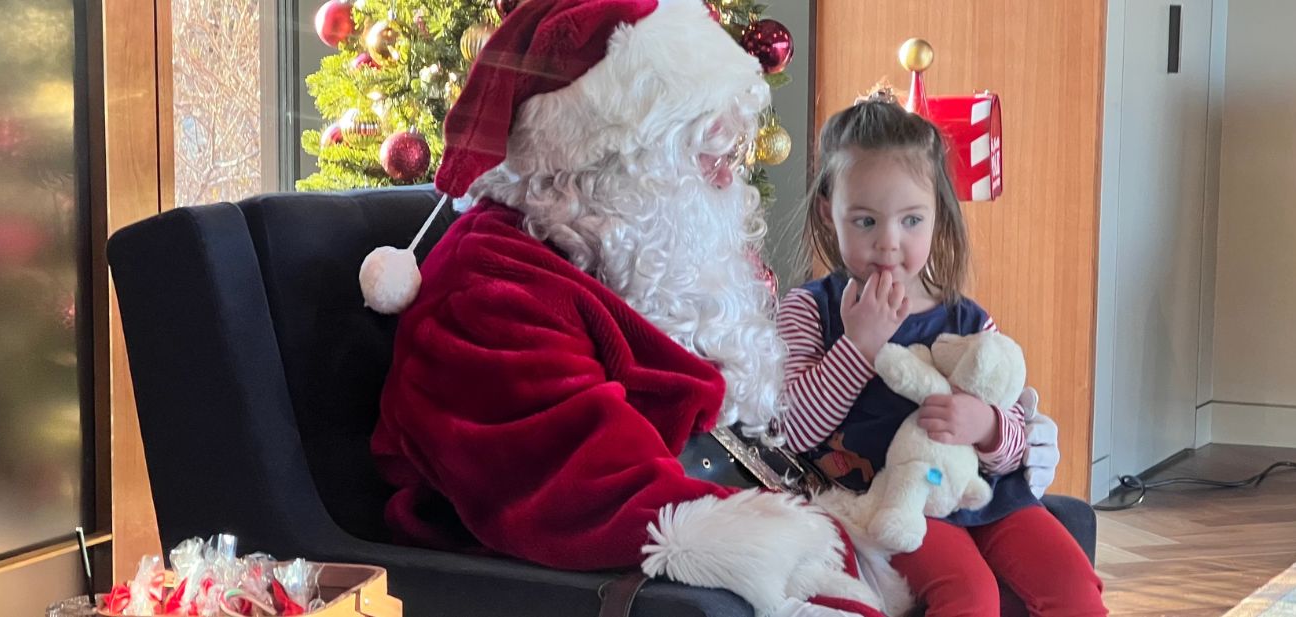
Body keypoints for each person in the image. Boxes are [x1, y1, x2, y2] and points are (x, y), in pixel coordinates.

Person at [368, 1, 892, 615]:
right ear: (610, 153)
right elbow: (577, 486)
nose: (727, 179)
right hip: (557, 587)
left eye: (730, 157)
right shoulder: (488, 287)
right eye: (704, 155)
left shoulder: (622, 253)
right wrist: (792, 543)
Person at [777, 89, 1106, 616]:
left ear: (938, 215)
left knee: (1075, 588)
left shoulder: (966, 318)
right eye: (865, 221)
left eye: (911, 221)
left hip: (987, 494)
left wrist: (988, 427)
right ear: (828, 211)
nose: (888, 243)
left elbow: (1016, 435)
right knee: (969, 594)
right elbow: (792, 429)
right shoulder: (809, 309)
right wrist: (859, 344)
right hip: (898, 502)